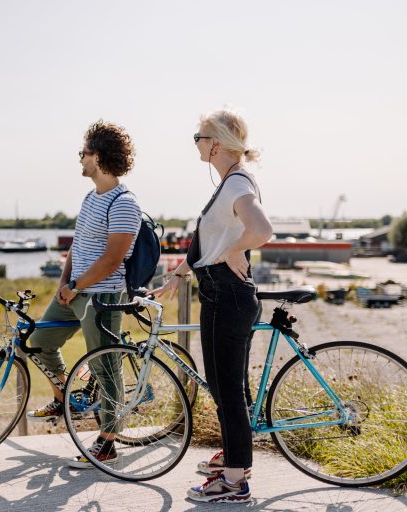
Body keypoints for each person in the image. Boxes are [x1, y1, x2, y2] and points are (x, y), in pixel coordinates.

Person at [151, 109, 272, 503]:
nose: (196, 144)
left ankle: (234, 480)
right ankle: (235, 459)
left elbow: (262, 229)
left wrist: (235, 250)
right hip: (220, 294)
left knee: (228, 390)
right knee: (224, 387)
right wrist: (178, 274)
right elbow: (211, 242)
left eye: (198, 137)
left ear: (215, 143)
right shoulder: (231, 182)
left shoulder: (236, 184)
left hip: (227, 296)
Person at [25, 120, 141, 469]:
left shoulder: (124, 203)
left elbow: (112, 259)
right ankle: (65, 397)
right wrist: (65, 283)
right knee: (38, 341)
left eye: (84, 152)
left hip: (102, 297)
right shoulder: (91, 198)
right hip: (73, 293)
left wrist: (76, 287)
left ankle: (107, 443)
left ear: (100, 157)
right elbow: (77, 247)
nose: (80, 158)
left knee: (105, 368)